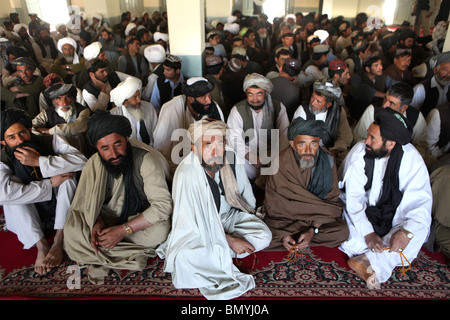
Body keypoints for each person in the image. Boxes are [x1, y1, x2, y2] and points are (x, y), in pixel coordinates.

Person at [157, 119, 272, 300]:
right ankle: (218, 252)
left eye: (220, 144)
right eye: (208, 145)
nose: (216, 152)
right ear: (195, 148)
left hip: (227, 216)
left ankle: (216, 254)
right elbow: (190, 225)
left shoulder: (231, 157)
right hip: (198, 230)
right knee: (186, 257)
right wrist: (230, 240)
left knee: (264, 235)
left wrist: (250, 219)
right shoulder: (186, 173)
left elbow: (246, 195)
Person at [63, 110, 172, 285]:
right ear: (97, 148)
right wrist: (96, 222)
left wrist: (123, 230)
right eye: (105, 148)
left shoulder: (146, 161)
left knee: (160, 231)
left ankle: (104, 249)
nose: (113, 154)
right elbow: (85, 203)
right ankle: (119, 248)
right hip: (105, 218)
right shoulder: (94, 163)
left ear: (126, 139)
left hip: (134, 219)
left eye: (118, 144)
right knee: (72, 231)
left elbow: (162, 206)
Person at [338, 107, 432, 287]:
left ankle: (366, 258)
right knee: (347, 230)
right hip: (362, 212)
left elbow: (420, 202)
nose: (366, 141)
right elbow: (354, 198)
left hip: (395, 215)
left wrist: (405, 232)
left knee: (417, 231)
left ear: (390, 144)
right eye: (368, 135)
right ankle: (374, 260)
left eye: (373, 138)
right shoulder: (360, 152)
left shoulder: (412, 159)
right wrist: (368, 232)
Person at [0, 108, 87, 275]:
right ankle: (41, 244)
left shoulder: (50, 141)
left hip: (58, 202)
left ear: (29, 130)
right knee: (10, 193)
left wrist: (40, 161)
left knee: (68, 178)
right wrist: (49, 184)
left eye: (23, 133)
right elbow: (2, 194)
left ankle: (59, 239)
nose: (20, 140)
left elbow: (81, 161)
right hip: (31, 207)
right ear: (3, 142)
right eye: (11, 137)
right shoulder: (2, 158)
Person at [264, 117, 349, 251]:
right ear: (292, 144)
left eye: (313, 144)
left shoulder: (328, 161)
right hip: (285, 221)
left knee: (342, 232)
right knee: (262, 236)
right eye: (302, 144)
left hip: (316, 220)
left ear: (319, 142)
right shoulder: (279, 162)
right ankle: (287, 237)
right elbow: (274, 205)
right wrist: (284, 234)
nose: (308, 150)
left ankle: (300, 237)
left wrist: (313, 230)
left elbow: (331, 201)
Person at [153, 77, 224, 176]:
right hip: (177, 167)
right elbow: (161, 149)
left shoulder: (213, 108)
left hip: (208, 166)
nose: (208, 101)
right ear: (190, 99)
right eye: (203, 98)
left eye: (209, 96)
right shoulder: (170, 109)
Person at [227, 73, 290, 182]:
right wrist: (252, 158)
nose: (254, 99)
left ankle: (260, 185)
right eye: (250, 94)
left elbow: (284, 136)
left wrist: (269, 157)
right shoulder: (237, 110)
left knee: (286, 162)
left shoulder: (278, 107)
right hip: (248, 156)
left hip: (272, 155)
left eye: (259, 94)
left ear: (266, 93)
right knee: (230, 159)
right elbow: (234, 138)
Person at [353, 82, 428, 157]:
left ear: (403, 108)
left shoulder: (416, 117)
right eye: (385, 98)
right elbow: (359, 138)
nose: (385, 105)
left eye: (391, 103)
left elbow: (421, 145)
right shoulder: (372, 111)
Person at [293, 79, 353, 167]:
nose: (313, 103)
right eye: (312, 98)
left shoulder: (338, 112)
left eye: (318, 101)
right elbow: (296, 138)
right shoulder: (302, 111)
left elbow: (345, 136)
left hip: (332, 150)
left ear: (328, 104)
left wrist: (334, 150)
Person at [32, 83, 92, 157]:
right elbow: (31, 128)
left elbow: (75, 128)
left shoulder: (83, 111)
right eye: (59, 98)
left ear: (73, 98)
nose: (64, 103)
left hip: (81, 154)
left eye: (67, 97)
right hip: (56, 156)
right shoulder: (47, 113)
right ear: (53, 100)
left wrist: (48, 131)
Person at [110, 76, 158, 146]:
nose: (139, 100)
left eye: (139, 96)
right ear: (124, 103)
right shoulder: (113, 116)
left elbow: (156, 133)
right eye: (135, 97)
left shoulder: (149, 107)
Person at [348, 55, 396, 120]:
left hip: (378, 110)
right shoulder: (356, 77)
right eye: (376, 65)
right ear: (368, 69)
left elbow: (394, 84)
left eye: (381, 64)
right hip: (361, 112)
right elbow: (360, 90)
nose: (381, 67)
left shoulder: (383, 77)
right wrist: (385, 95)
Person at [411, 51, 450, 118]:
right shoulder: (421, 89)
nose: (449, 74)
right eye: (445, 69)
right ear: (435, 70)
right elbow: (411, 114)